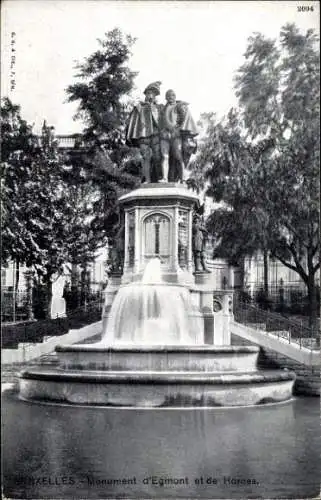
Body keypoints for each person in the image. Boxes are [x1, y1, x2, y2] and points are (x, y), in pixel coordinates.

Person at [126, 81, 162, 183]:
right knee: (145, 157)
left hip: (156, 134)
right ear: (145, 94)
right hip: (143, 135)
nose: (151, 95)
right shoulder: (139, 107)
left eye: (153, 93)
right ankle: (147, 180)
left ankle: (160, 179)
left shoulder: (159, 107)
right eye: (149, 93)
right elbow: (133, 122)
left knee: (158, 156)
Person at [160, 89, 198, 182]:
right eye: (168, 95)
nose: (170, 97)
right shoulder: (162, 108)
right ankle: (164, 178)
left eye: (172, 95)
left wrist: (178, 129)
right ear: (166, 97)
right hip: (164, 135)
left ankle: (182, 177)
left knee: (178, 156)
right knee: (164, 156)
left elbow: (184, 120)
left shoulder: (179, 106)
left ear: (175, 97)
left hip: (176, 135)